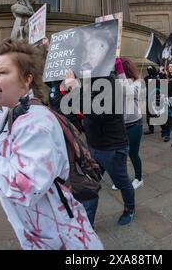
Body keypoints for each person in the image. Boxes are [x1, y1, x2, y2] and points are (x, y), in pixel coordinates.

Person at [0, 39, 103, 250]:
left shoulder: (36, 124)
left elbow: (24, 188)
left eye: (3, 72)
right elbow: (2, 131)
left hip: (63, 241)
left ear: (27, 80)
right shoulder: (12, 113)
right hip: (40, 235)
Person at [64, 59, 136, 226]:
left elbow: (96, 113)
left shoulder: (110, 82)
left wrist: (75, 89)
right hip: (94, 145)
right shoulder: (90, 80)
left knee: (121, 182)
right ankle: (88, 222)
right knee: (90, 184)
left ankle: (129, 209)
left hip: (112, 147)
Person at [111, 58, 144, 190]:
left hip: (134, 125)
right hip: (119, 125)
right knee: (119, 155)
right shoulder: (117, 81)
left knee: (133, 153)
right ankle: (122, 180)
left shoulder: (138, 82)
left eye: (120, 71)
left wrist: (120, 73)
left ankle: (139, 178)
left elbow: (129, 92)